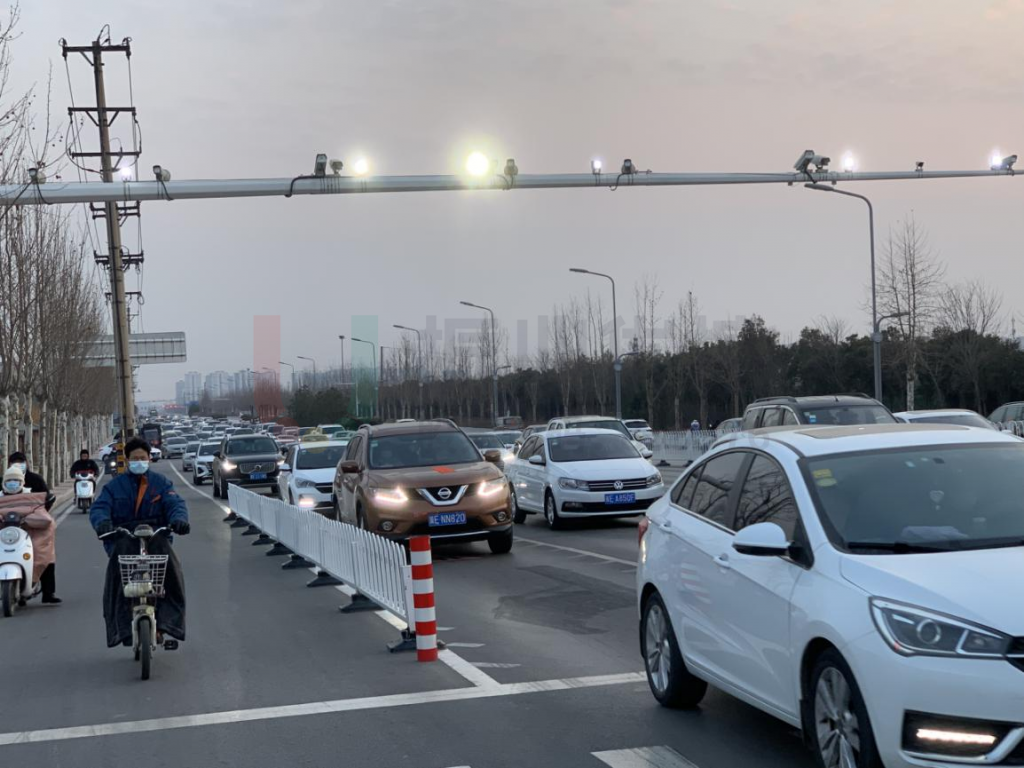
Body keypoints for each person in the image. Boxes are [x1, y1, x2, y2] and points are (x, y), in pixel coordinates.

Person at [90, 437, 190, 648]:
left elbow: (175, 503)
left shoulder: (161, 483)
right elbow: (99, 508)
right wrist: (103, 523)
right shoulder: (114, 486)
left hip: (155, 537)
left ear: (149, 459)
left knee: (172, 572)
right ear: (127, 460)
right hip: (123, 537)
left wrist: (179, 520)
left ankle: (169, 625)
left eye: (142, 458)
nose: (139, 462)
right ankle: (121, 629)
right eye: (134, 458)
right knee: (115, 579)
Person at [1, 466, 60, 604]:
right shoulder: (1, 497)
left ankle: (48, 593)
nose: (12, 483)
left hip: (30, 533)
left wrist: (28, 520)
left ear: (22, 482)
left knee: (44, 555)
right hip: (6, 535)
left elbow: (43, 516)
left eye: (16, 480)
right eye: (9, 481)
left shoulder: (32, 496)